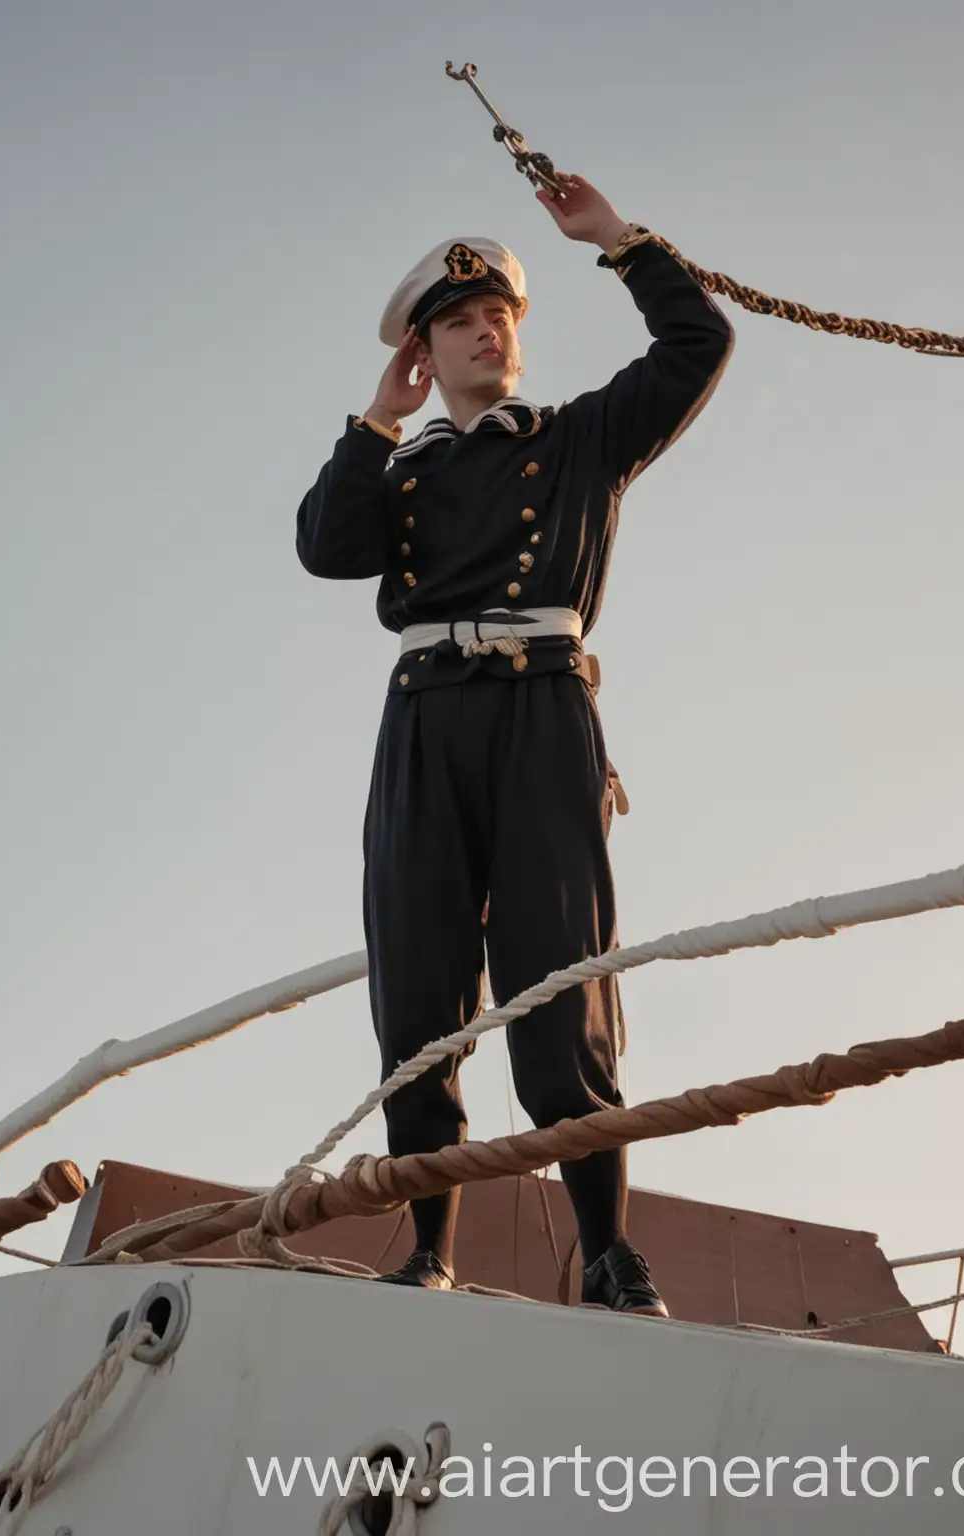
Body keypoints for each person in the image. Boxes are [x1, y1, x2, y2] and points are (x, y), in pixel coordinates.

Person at [294, 173, 734, 1314]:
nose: (486, 329)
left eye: (498, 318)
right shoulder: (402, 471)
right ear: (423, 356)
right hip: (426, 719)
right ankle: (430, 1247)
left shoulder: (583, 439)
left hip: (544, 709)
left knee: (560, 979)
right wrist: (376, 421)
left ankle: (606, 1251)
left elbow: (697, 343)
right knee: (418, 981)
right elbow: (323, 547)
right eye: (457, 321)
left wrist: (619, 240)